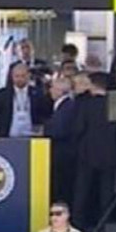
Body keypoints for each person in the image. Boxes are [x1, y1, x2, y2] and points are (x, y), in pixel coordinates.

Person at [71, 73, 115, 231]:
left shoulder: (85, 104)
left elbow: (78, 128)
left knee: (82, 191)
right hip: (110, 153)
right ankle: (105, 226)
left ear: (93, 84)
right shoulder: (115, 104)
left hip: (87, 152)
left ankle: (78, 225)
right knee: (107, 192)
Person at [0, 62, 51, 138]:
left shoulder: (38, 93)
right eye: (17, 76)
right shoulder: (2, 94)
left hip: (32, 135)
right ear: (12, 76)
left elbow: (45, 113)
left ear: (28, 76)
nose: (19, 79)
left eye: (23, 76)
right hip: (8, 136)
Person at [47, 74, 78, 207]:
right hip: (61, 151)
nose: (50, 91)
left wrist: (45, 131)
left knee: (62, 184)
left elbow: (59, 130)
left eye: (52, 88)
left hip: (63, 152)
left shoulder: (67, 107)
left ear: (60, 91)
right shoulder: (63, 106)